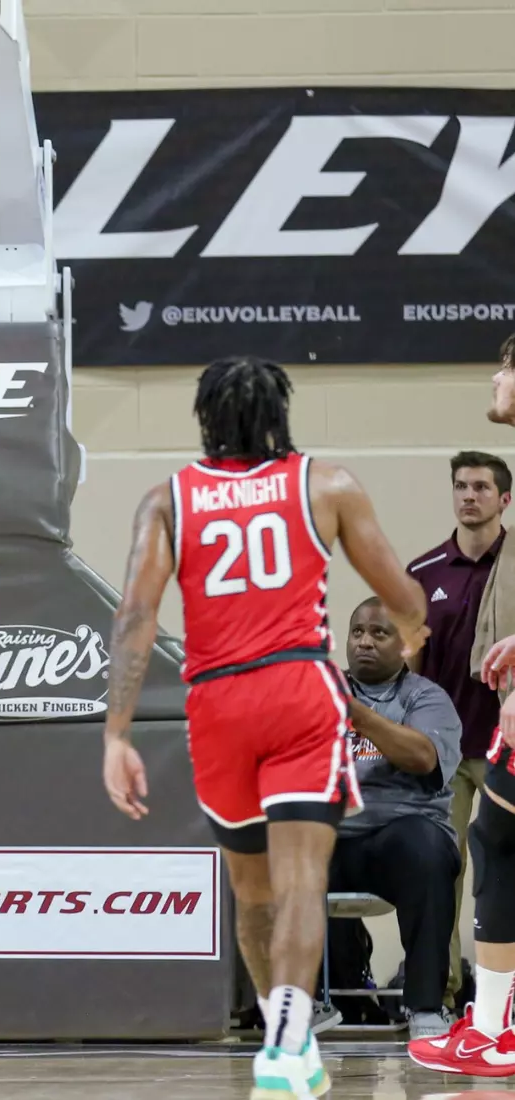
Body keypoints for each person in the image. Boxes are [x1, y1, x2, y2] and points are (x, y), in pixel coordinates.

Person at [102, 355, 428, 1098]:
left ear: (205, 419)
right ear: (280, 414)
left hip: (215, 701)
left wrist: (116, 735)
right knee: (302, 881)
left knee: (251, 893)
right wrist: (412, 630)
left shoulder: (168, 500)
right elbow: (400, 592)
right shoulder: (326, 484)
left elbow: (135, 618)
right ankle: (286, 1040)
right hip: (297, 689)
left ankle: (284, 1041)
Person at [413, 335, 515, 1075]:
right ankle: (484, 1020)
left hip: (501, 726)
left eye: (505, 365)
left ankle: (491, 1023)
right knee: (484, 851)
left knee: (496, 849)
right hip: (464, 741)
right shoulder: (425, 569)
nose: (494, 376)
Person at [407, 449, 511, 1007]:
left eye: (480, 487)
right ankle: (438, 995)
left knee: (501, 873)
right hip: (443, 751)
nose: (469, 495)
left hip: (505, 747)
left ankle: (503, 997)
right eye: (460, 486)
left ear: (504, 499)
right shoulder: (423, 573)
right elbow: (409, 666)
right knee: (439, 872)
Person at [331, 599, 462, 1040]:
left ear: (404, 645)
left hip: (399, 833)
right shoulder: (319, 689)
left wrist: (359, 716)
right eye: (357, 632)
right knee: (282, 844)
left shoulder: (425, 697)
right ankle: (305, 999)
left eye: (379, 633)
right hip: (333, 832)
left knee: (428, 849)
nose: (365, 641)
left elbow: (424, 756)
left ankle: (425, 1006)